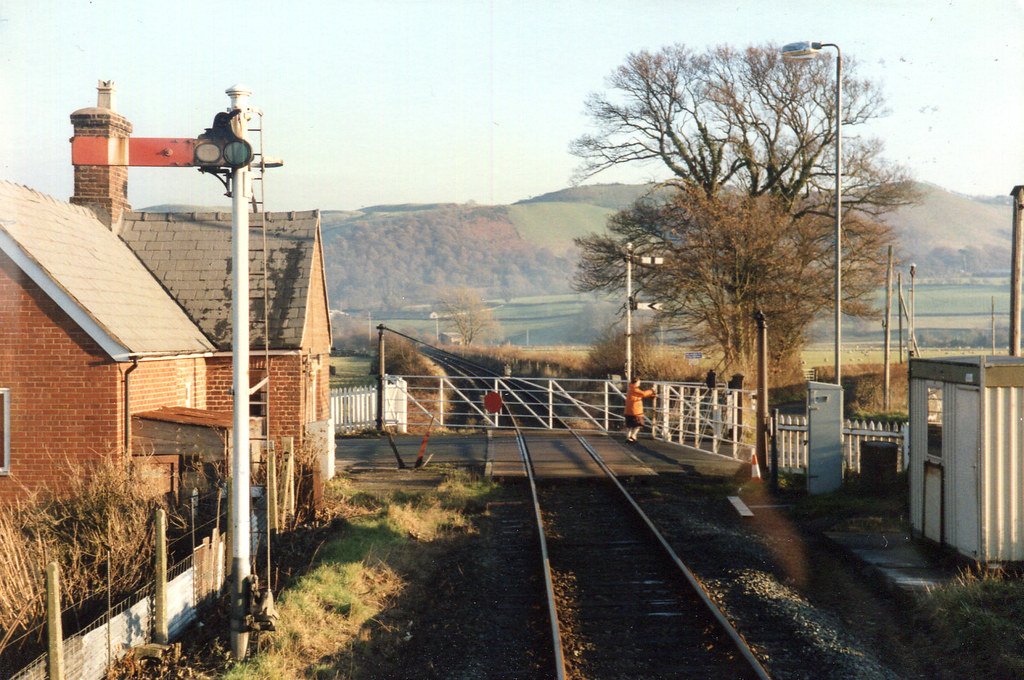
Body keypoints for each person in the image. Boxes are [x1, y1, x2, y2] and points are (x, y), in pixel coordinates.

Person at [624, 376, 656, 443]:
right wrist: (652, 390)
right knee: (639, 424)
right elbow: (643, 394)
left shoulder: (631, 389)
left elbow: (640, 395)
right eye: (639, 382)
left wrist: (651, 396)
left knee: (629, 425)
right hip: (635, 411)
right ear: (635, 383)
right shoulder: (635, 389)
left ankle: (628, 437)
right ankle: (633, 435)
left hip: (628, 410)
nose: (639, 384)